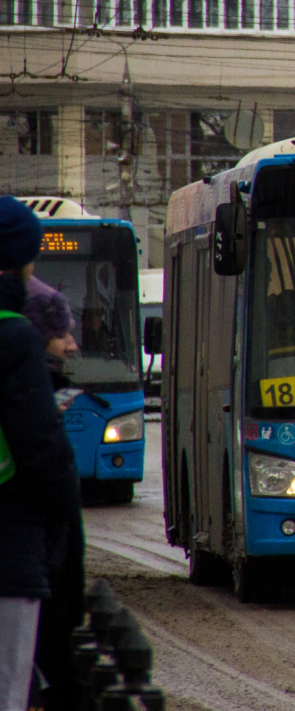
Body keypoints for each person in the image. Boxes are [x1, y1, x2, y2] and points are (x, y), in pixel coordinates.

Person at [0, 197, 80, 711]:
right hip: (9, 548)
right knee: (11, 684)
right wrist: (61, 527)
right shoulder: (13, 335)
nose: (69, 345)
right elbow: (42, 450)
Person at [23, 278, 83, 711]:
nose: (73, 345)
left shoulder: (41, 395)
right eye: (61, 334)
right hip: (32, 584)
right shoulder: (30, 404)